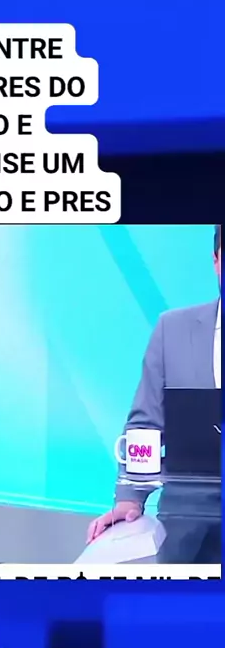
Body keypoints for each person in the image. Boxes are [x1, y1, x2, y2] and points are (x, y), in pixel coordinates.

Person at [87, 224, 222, 564]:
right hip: (188, 527)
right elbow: (146, 421)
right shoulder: (173, 330)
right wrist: (130, 498)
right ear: (216, 261)